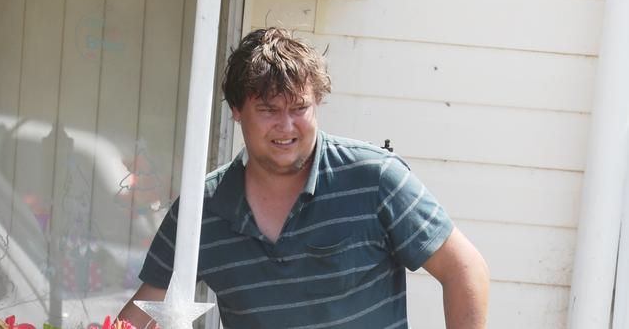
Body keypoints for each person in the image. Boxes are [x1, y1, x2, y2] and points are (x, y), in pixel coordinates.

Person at [118, 27, 490, 328]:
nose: (286, 126)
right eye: (268, 110)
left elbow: (464, 268)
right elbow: (146, 309)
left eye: (300, 108)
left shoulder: (375, 179)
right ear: (236, 111)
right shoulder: (202, 211)